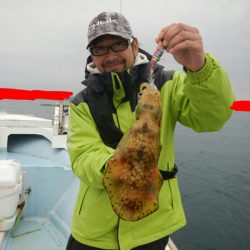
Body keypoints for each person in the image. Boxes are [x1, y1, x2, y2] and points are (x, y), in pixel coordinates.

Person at [66, 11, 235, 250]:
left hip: (152, 229)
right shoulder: (81, 103)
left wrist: (199, 67)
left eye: (118, 44)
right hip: (94, 233)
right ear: (92, 55)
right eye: (100, 49)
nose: (110, 54)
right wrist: (124, 166)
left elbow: (211, 118)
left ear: (134, 45)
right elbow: (83, 156)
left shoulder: (167, 85)